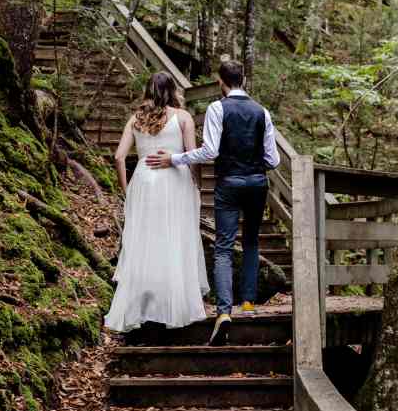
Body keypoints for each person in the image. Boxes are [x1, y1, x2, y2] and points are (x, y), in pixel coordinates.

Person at [146, 59, 279, 346]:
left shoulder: (218, 109)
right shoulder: (262, 112)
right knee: (252, 241)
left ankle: (223, 311)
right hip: (257, 183)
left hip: (229, 183)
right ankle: (248, 303)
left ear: (221, 81)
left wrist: (175, 158)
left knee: (223, 247)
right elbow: (274, 159)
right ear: (242, 79)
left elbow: (210, 151)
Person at [104, 72, 209, 333]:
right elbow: (192, 157)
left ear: (148, 91)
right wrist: (197, 184)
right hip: (175, 181)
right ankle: (174, 304)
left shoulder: (135, 119)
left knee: (144, 241)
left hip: (142, 182)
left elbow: (118, 157)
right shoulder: (183, 117)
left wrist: (126, 190)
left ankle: (142, 304)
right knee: (174, 238)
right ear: (173, 90)